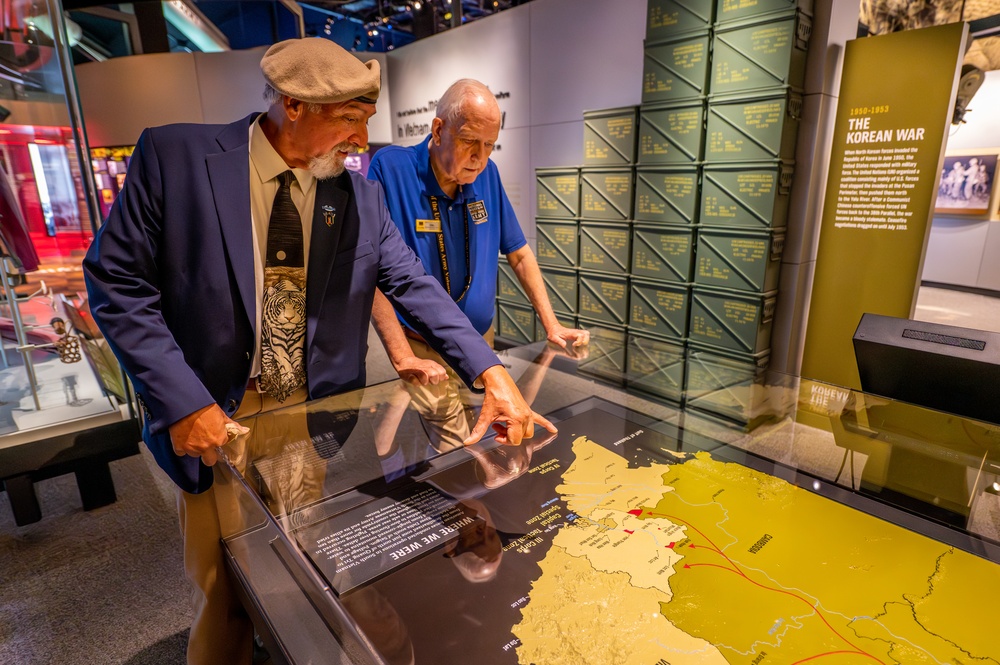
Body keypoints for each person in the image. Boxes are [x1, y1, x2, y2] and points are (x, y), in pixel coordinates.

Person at [82, 38, 553, 665]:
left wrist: (490, 370)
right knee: (225, 588)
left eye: (365, 118)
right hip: (213, 411)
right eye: (349, 119)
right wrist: (182, 400)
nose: (362, 139)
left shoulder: (356, 195)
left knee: (299, 563)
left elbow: (411, 282)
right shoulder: (175, 158)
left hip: (306, 411)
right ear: (294, 106)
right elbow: (116, 283)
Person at [368, 79, 588, 448]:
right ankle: (467, 504)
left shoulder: (489, 174)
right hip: (425, 346)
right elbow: (371, 267)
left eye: (490, 145)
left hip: (480, 342)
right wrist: (402, 354)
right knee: (459, 445)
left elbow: (518, 252)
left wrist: (551, 324)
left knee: (492, 427)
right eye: (471, 141)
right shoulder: (392, 169)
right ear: (438, 130)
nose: (481, 158)